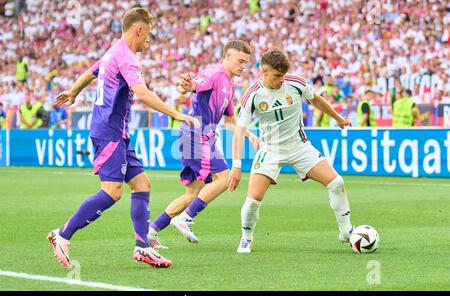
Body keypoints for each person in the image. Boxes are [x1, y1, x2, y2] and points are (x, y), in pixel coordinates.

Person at [47, 7, 199, 269]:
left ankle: (142, 248)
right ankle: (62, 234)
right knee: (112, 191)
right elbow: (143, 94)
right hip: (109, 133)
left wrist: (73, 92)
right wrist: (178, 114)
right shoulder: (126, 57)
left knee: (142, 185)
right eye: (148, 34)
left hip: (118, 133)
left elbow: (90, 73)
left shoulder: (112, 52)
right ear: (138, 29)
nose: (148, 40)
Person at [226, 49, 353, 253]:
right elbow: (239, 131)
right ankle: (246, 238)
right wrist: (236, 166)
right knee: (253, 200)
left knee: (337, 183)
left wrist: (337, 118)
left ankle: (346, 231)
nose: (281, 80)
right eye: (277, 76)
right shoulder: (252, 95)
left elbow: (316, 99)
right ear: (264, 71)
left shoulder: (296, 83)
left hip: (299, 146)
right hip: (270, 149)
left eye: (284, 75)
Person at [148, 40, 259, 249]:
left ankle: (152, 231)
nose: (243, 66)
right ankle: (185, 219)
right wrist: (186, 86)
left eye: (246, 62)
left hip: (202, 137)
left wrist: (250, 135)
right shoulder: (214, 73)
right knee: (225, 178)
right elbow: (192, 86)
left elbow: (230, 122)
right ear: (226, 56)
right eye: (240, 60)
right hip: (195, 134)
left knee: (193, 194)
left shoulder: (230, 86)